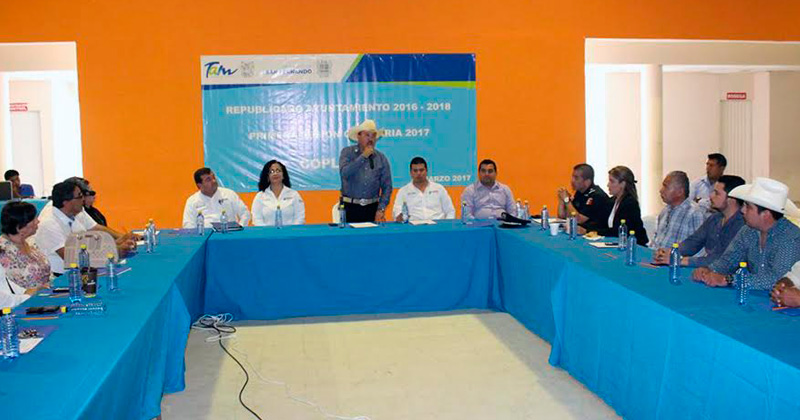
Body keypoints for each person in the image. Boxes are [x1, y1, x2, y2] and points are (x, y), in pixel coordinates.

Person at [693, 177, 800, 290]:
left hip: (778, 299)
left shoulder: (791, 237)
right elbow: (729, 260)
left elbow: (777, 280)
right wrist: (709, 270)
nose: (742, 210)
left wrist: (728, 280)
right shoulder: (748, 230)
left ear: (766, 214)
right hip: (753, 295)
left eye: (748, 207)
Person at [35, 180, 135, 275]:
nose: (83, 199)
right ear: (66, 202)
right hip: (62, 275)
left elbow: (89, 240)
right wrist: (113, 252)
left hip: (83, 268)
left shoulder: (73, 213)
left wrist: (118, 242)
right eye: (79, 196)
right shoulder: (49, 224)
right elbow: (71, 257)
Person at [653, 175, 745, 267]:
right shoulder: (715, 218)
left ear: (731, 200)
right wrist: (670, 251)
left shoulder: (742, 226)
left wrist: (679, 260)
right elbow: (693, 242)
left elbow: (722, 259)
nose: (711, 196)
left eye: (716, 193)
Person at [338, 120, 392, 223]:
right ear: (358, 136)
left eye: (373, 136)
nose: (370, 139)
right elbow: (345, 174)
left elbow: (387, 187)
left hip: (372, 208)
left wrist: (381, 209)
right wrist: (363, 156)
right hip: (350, 207)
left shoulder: (381, 158)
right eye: (367, 135)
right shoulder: (347, 153)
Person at [592, 166, 648, 246]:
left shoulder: (630, 204)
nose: (608, 185)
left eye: (612, 181)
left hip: (633, 245)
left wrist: (593, 231)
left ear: (623, 184)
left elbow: (617, 231)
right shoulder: (611, 201)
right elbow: (600, 222)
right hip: (617, 242)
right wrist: (586, 229)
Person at [0, 201, 51, 290]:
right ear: (20, 227)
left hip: (46, 292)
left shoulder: (29, 242)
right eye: (33, 219)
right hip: (25, 297)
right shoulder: (3, 251)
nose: (38, 221)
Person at [650, 171, 705, 249]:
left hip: (676, 256)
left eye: (665, 186)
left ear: (680, 192)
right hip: (655, 255)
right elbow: (655, 241)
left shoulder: (695, 213)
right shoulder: (665, 210)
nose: (661, 190)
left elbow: (699, 248)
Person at [182, 168, 251, 228]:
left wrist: (240, 228)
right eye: (208, 180)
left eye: (213, 177)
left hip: (230, 234)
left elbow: (245, 213)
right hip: (205, 236)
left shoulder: (229, 194)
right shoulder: (192, 201)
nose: (214, 181)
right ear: (199, 185)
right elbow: (188, 224)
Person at [392, 157, 455, 221]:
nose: (418, 173)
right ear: (411, 173)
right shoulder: (403, 191)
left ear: (426, 171)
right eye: (415, 171)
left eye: (421, 170)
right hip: (413, 225)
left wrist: (446, 225)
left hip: (437, 224)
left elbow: (450, 211)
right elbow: (397, 212)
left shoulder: (439, 188)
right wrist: (400, 217)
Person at [557, 163, 612, 232]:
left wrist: (566, 200)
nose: (572, 181)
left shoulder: (596, 196)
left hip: (596, 233)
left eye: (576, 178)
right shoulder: (580, 192)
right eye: (572, 177)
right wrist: (562, 200)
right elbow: (563, 216)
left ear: (587, 182)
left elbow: (579, 220)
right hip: (581, 231)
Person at [251, 160, 305, 226]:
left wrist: (292, 231)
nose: (275, 174)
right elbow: (256, 219)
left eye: (278, 170)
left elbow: (300, 217)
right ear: (267, 176)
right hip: (267, 232)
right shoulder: (260, 196)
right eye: (271, 171)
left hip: (291, 232)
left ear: (283, 175)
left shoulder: (294, 194)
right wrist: (266, 231)